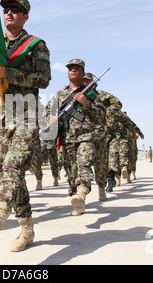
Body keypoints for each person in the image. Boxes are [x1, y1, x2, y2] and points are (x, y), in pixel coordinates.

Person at [0, 0, 51, 253]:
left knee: (13, 166)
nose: (9, 13)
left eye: (15, 10)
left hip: (27, 113)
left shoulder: (36, 45)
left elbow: (43, 79)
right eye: (6, 9)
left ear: (25, 16)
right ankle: (27, 228)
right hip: (1, 116)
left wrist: (11, 74)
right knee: (11, 173)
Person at [46, 59, 106, 215]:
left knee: (84, 165)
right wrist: (50, 118)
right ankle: (77, 200)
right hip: (66, 139)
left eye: (76, 69)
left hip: (85, 136)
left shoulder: (90, 93)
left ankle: (82, 193)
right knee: (72, 174)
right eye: (70, 69)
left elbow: (101, 116)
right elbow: (48, 110)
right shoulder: (60, 94)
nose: (73, 71)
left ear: (82, 73)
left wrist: (86, 104)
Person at [83, 72, 122, 200]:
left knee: (100, 162)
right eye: (83, 80)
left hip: (99, 132)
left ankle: (101, 188)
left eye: (87, 81)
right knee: (83, 161)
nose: (85, 82)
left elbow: (118, 104)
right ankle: (81, 191)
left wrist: (105, 114)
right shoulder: (76, 95)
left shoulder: (101, 95)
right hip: (82, 133)